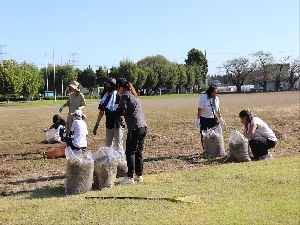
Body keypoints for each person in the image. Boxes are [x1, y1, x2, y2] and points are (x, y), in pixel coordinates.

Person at [115, 78, 147, 185]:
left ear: (121, 87)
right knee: (138, 151)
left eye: (118, 88)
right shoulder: (133, 95)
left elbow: (122, 111)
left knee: (130, 152)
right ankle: (139, 175)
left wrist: (115, 108)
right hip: (143, 126)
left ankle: (129, 177)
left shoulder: (125, 95)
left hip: (134, 127)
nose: (118, 91)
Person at [93, 77, 125, 150]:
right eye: (106, 86)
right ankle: (109, 160)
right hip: (109, 124)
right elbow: (101, 111)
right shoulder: (105, 97)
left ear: (113, 86)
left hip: (117, 124)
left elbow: (123, 111)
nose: (107, 87)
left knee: (118, 145)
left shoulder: (118, 96)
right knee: (108, 146)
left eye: (109, 86)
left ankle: (120, 160)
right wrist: (97, 124)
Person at [196, 84, 226, 149]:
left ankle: (215, 149)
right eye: (214, 93)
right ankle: (206, 149)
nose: (216, 94)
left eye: (217, 93)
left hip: (212, 117)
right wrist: (198, 119)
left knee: (215, 133)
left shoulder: (216, 99)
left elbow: (218, 108)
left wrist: (220, 117)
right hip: (204, 118)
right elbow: (200, 108)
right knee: (204, 134)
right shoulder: (204, 97)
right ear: (210, 92)